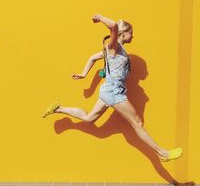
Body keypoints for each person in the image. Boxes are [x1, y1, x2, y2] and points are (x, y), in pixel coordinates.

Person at [42, 14, 182, 162]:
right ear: (123, 33)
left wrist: (84, 74)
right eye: (131, 33)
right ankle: (162, 153)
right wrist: (100, 17)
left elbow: (92, 58)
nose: (132, 37)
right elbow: (113, 26)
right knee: (137, 123)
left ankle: (58, 108)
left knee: (89, 118)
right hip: (113, 92)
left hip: (108, 90)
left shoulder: (115, 50)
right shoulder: (114, 46)